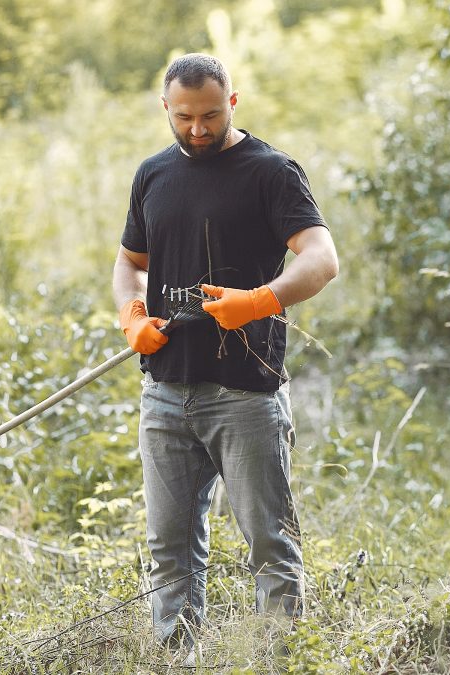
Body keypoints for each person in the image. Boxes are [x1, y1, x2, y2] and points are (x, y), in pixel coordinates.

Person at [111, 53, 339, 649]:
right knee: (169, 547)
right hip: (164, 392)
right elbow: (130, 264)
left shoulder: (271, 172)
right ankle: (176, 658)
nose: (197, 128)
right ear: (165, 108)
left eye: (210, 114)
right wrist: (131, 314)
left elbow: (322, 260)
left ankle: (280, 659)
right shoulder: (153, 175)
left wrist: (260, 300)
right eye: (183, 116)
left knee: (268, 540)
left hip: (244, 392)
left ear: (232, 103)